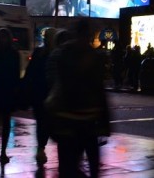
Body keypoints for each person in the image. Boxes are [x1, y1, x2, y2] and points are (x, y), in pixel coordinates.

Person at [47, 18, 110, 178]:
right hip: (86, 118)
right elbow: (99, 90)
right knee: (89, 164)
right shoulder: (92, 56)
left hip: (68, 118)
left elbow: (58, 84)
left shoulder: (63, 54)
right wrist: (105, 121)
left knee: (68, 166)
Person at [25, 27, 60, 165]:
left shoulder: (41, 52)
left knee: (43, 123)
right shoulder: (56, 53)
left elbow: (30, 72)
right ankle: (42, 148)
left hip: (41, 93)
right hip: (46, 93)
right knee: (47, 123)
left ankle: (41, 148)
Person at [0, 27, 20, 163]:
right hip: (4, 87)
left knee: (1, 120)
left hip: (1, 87)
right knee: (1, 120)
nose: (3, 40)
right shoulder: (12, 53)